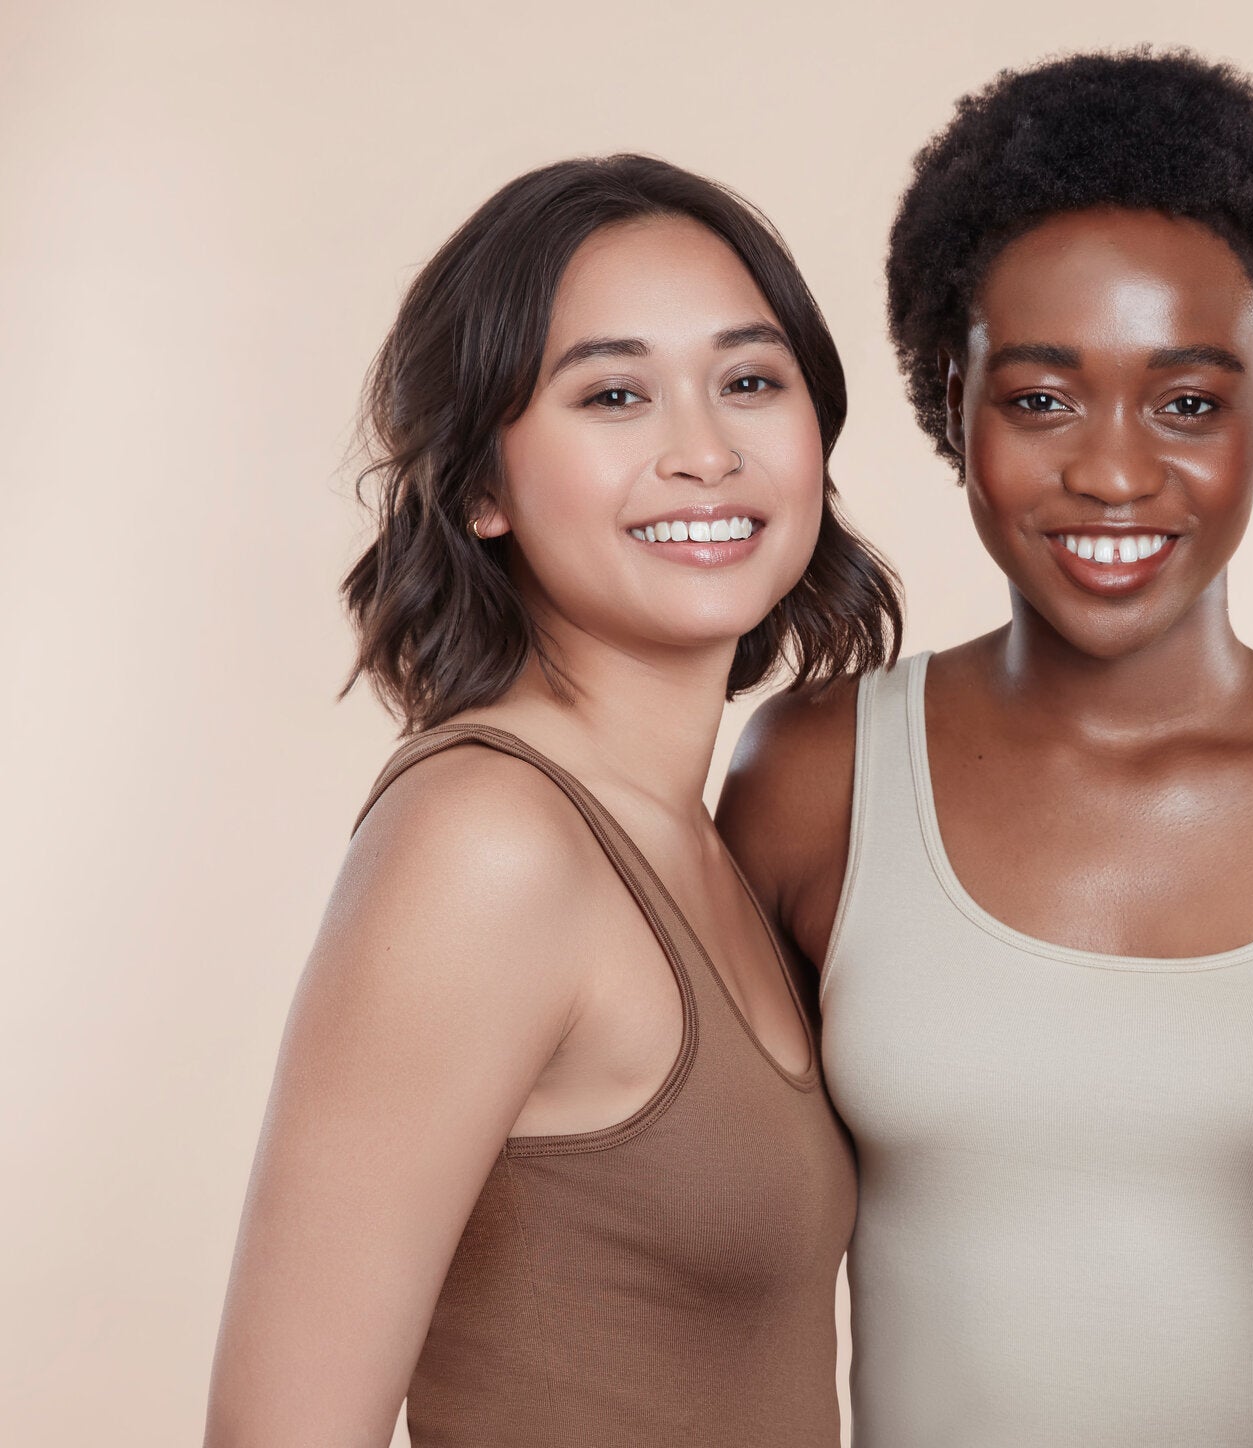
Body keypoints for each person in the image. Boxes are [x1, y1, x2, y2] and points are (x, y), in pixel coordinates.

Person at [718, 51, 1253, 1448]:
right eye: (1041, 397)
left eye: (1189, 401)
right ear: (947, 395)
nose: (1115, 473)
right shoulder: (813, 781)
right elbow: (709, 1242)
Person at [205, 155, 899, 1448]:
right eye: (614, 394)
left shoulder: (711, 840)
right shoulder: (489, 843)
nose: (704, 452)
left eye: (750, 380)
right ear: (481, 488)